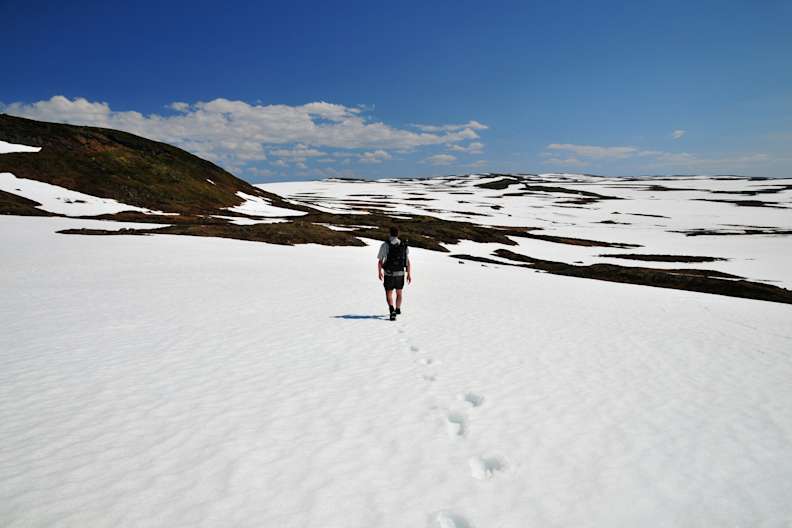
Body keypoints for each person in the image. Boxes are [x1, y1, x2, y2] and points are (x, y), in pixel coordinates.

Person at [377, 226, 412, 321]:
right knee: (399, 293)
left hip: (389, 274)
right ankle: (398, 309)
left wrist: (379, 272)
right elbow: (407, 261)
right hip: (400, 273)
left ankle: (392, 310)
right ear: (398, 234)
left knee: (389, 293)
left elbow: (380, 260)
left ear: (389, 233)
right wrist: (409, 274)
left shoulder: (385, 245)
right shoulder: (403, 245)